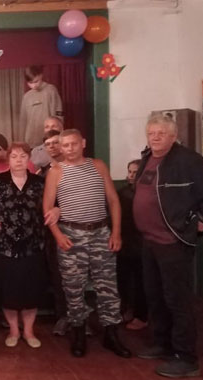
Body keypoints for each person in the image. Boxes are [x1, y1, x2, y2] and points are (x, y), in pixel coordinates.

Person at [133, 115, 203, 378]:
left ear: (173, 136)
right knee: (155, 296)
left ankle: (186, 357)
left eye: (161, 133)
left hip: (173, 242)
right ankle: (163, 343)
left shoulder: (186, 159)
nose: (155, 137)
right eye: (151, 133)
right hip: (150, 241)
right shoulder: (148, 157)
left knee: (177, 300)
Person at [43, 129, 130, 359]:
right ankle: (78, 332)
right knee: (73, 287)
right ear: (60, 147)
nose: (70, 149)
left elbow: (113, 201)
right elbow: (47, 208)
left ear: (83, 143)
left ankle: (111, 333)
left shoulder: (98, 166)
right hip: (71, 234)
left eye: (73, 144)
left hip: (100, 233)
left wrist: (116, 232)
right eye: (65, 145)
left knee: (108, 286)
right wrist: (57, 235)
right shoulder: (56, 172)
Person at [0, 142, 47, 349]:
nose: (18, 160)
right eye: (14, 156)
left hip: (32, 244)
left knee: (31, 289)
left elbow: (50, 207)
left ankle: (28, 331)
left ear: (29, 158)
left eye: (23, 156)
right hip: (4, 245)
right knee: (8, 290)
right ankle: (13, 330)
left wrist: (56, 210)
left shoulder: (40, 182)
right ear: (8, 159)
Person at [38, 130, 69, 337]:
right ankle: (63, 317)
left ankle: (80, 319)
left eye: (55, 142)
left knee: (77, 277)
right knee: (58, 276)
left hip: (75, 228)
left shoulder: (75, 168)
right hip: (51, 232)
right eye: (48, 144)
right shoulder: (42, 174)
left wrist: (61, 210)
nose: (52, 147)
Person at [117, 159, 148, 331]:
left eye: (136, 172)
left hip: (144, 242)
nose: (131, 175)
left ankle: (141, 315)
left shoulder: (149, 192)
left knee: (141, 281)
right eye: (130, 172)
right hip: (125, 240)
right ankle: (127, 309)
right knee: (123, 279)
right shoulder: (122, 193)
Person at [19, 65, 63, 147]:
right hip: (31, 139)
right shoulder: (27, 96)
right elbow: (23, 120)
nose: (34, 85)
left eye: (36, 81)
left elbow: (58, 115)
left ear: (41, 76)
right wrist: (22, 141)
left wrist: (58, 135)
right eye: (30, 83)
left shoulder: (51, 90)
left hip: (49, 139)